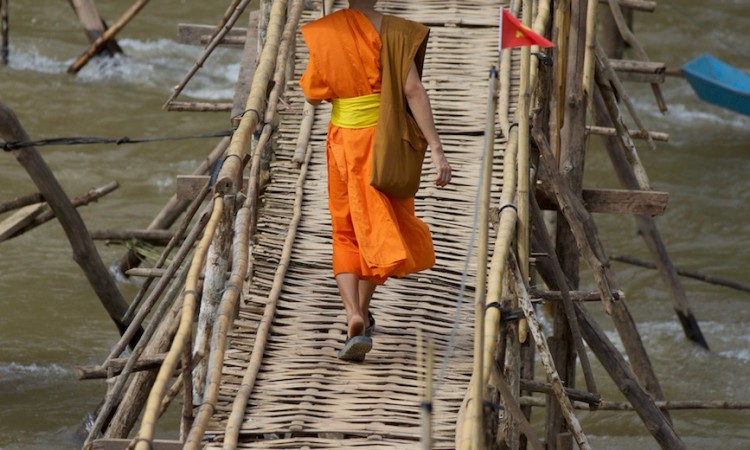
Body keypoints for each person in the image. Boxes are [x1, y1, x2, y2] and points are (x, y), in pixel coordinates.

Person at [299, 0, 451, 362]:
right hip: (385, 145)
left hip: (343, 143)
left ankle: (353, 312)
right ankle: (362, 315)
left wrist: (333, 55)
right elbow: (413, 91)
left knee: (346, 230)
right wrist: (437, 149)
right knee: (381, 227)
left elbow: (312, 95)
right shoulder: (396, 32)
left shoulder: (327, 31)